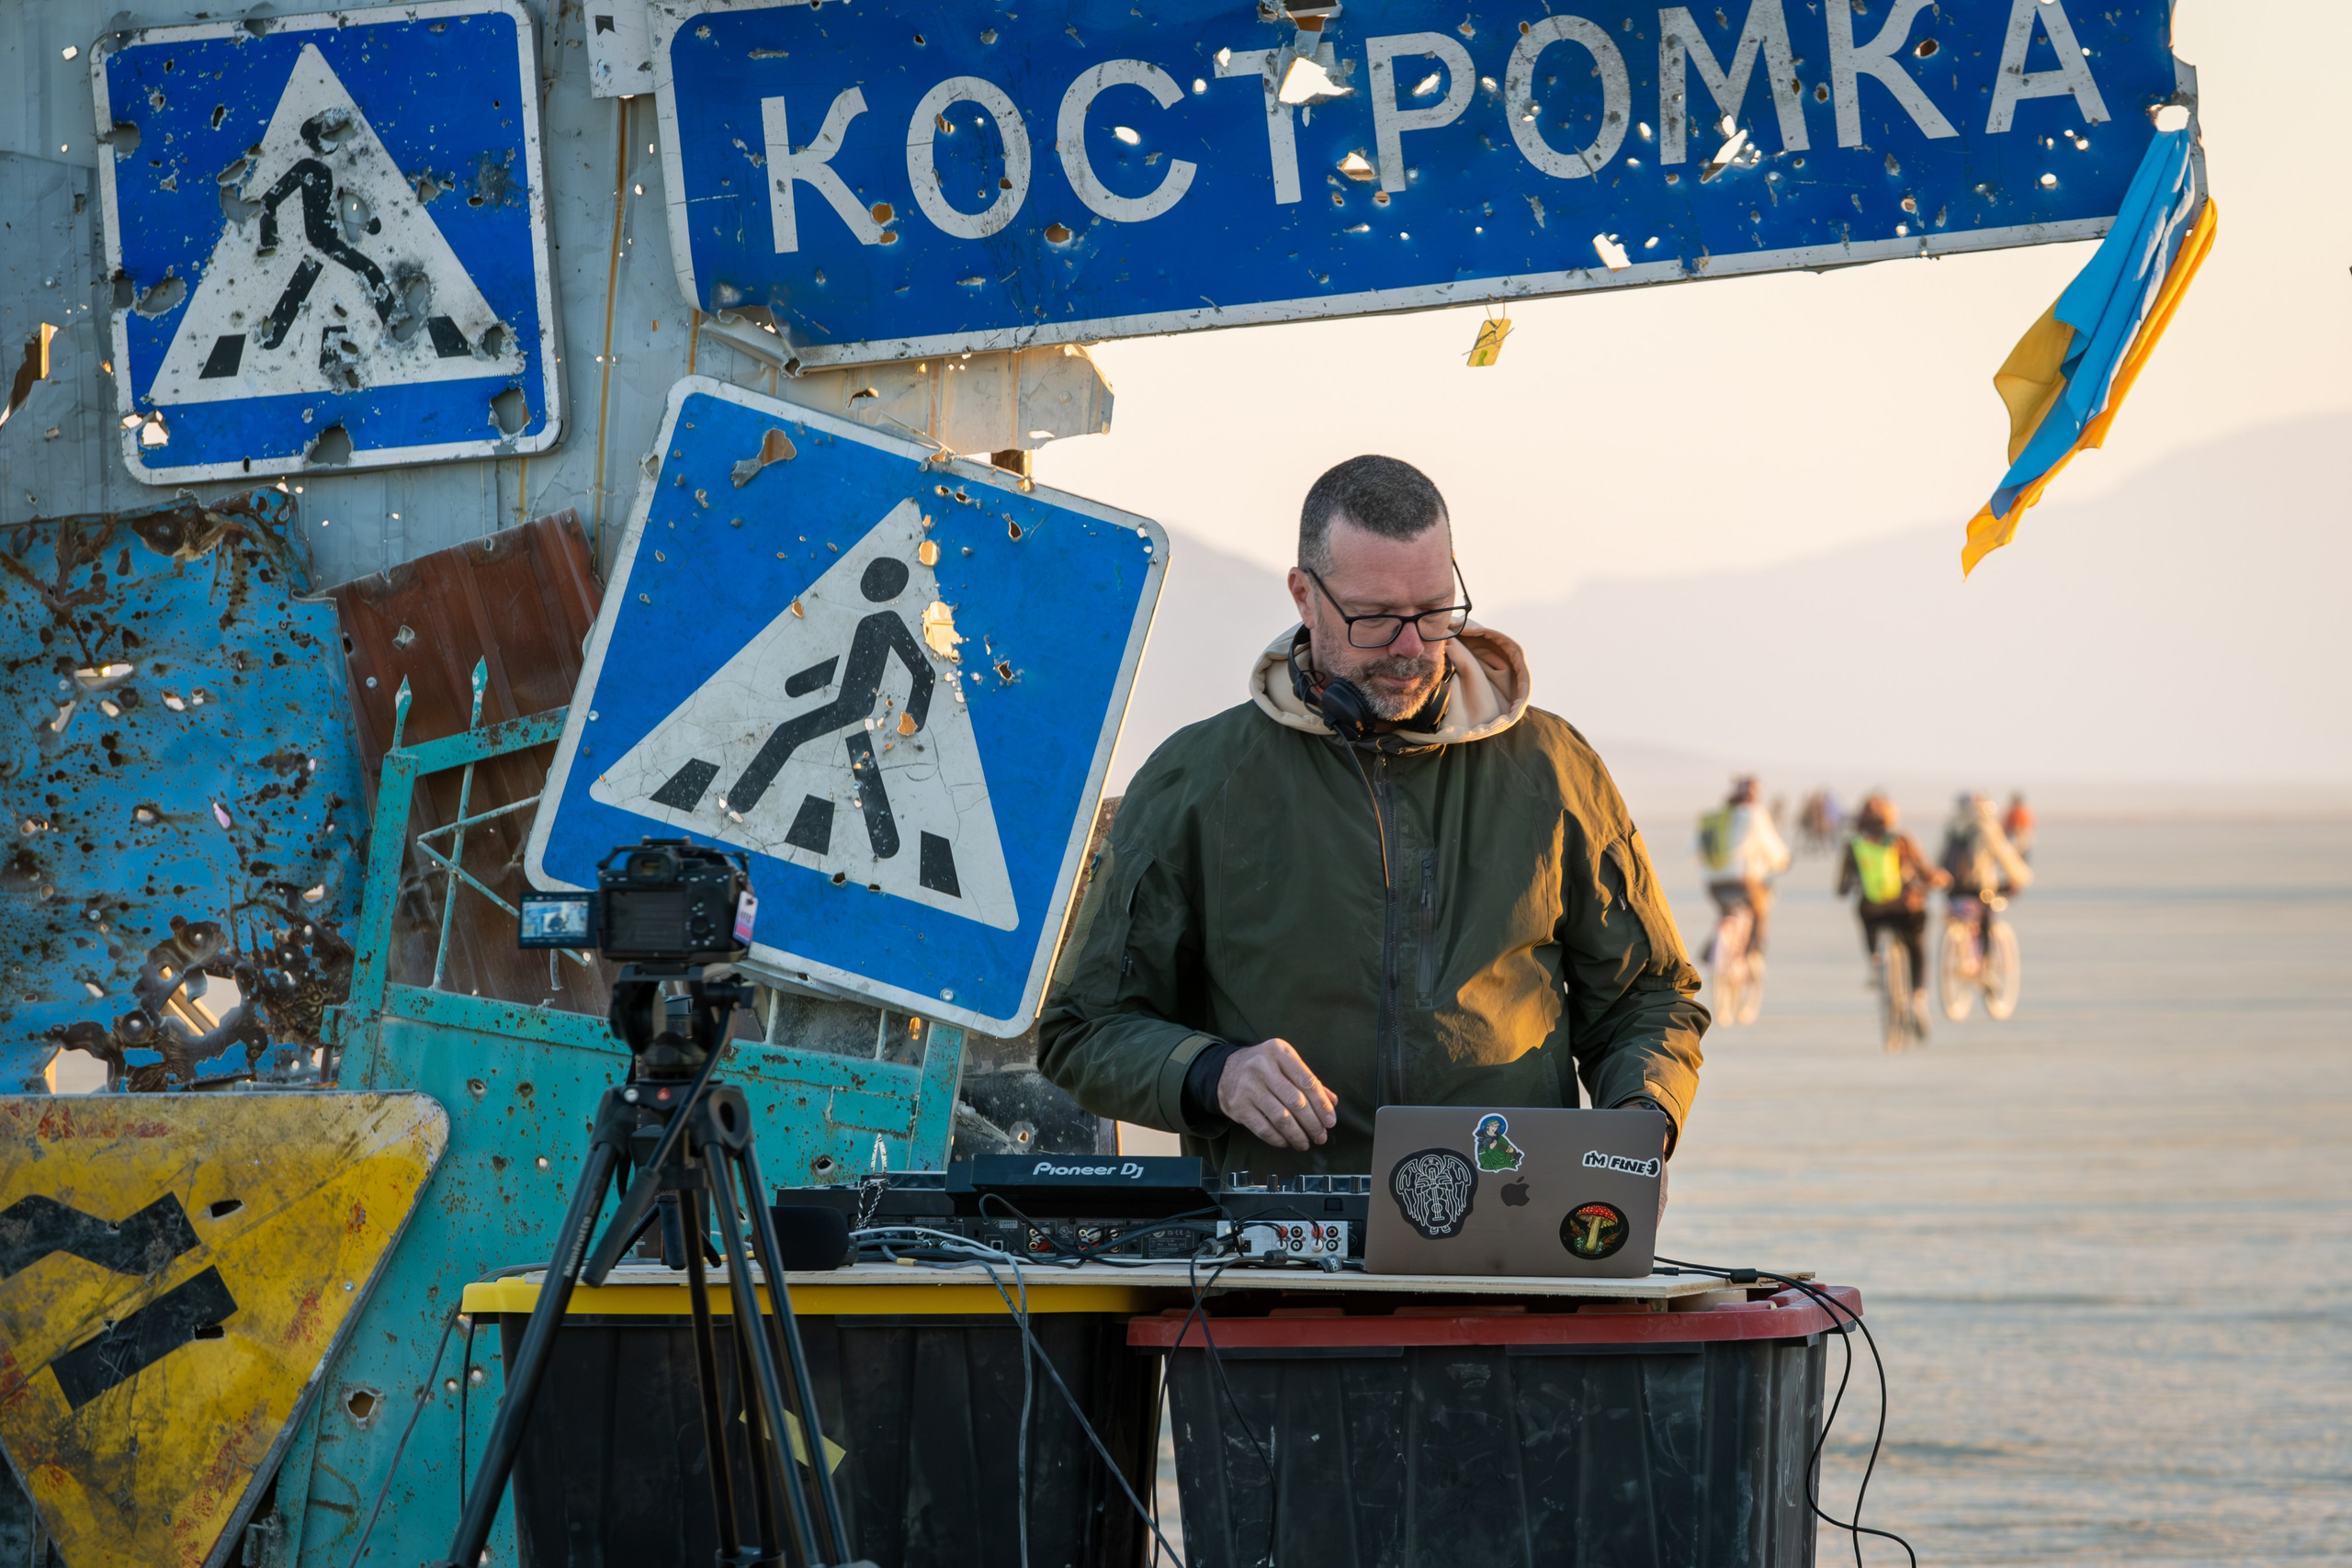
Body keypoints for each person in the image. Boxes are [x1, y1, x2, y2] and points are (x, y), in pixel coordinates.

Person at [1037, 456, 1706, 1178]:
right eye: (1377, 619)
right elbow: (1083, 1030)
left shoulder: (1553, 766)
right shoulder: (1195, 780)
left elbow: (1649, 995)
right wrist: (1214, 1073)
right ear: (1304, 595)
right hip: (1270, 1261)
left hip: (1514, 1234)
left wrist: (1641, 1122)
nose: (1412, 647)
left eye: (1434, 610)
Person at [1836, 795, 1947, 1023]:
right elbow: (1926, 872)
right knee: (1917, 946)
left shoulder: (1855, 843)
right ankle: (1918, 996)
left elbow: (1842, 887)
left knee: (1864, 915)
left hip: (1872, 908)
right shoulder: (1902, 839)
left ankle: (1876, 962)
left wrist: (1854, 888)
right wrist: (1936, 880)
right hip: (1905, 907)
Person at [1696, 775, 1792, 969]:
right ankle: (1753, 953)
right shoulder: (1754, 814)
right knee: (1760, 910)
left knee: (1726, 914)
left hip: (1713, 883)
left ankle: (1710, 952)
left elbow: (1693, 848)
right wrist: (1783, 861)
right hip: (1743, 881)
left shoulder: (1715, 817)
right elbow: (1772, 846)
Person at [1942, 791, 2034, 951]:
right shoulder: (1986, 828)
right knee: (1986, 916)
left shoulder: (1952, 828)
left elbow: (1941, 859)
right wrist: (2022, 878)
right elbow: (2006, 857)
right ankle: (1985, 960)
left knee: (1957, 916)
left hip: (1952, 889)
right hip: (1980, 889)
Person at [2003, 791, 2037, 862]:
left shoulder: (2017, 811)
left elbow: (2016, 827)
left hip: (2019, 837)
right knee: (2022, 858)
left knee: (2017, 858)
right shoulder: (2026, 810)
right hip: (2026, 837)